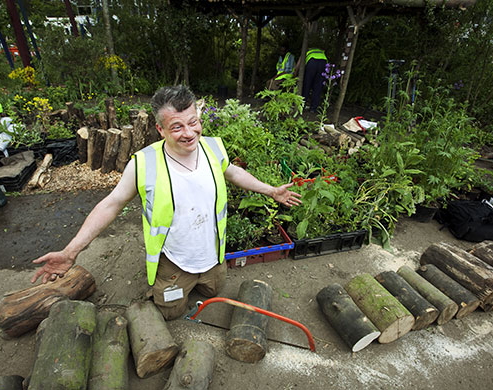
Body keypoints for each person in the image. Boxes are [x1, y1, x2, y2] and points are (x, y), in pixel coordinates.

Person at [31, 85, 302, 320]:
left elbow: (231, 171)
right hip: (174, 260)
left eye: (193, 121)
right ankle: (169, 288)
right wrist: (71, 251)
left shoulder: (213, 147)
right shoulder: (144, 164)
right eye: (177, 126)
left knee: (214, 290)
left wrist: (270, 190)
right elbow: (111, 204)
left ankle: (201, 279)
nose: (189, 133)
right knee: (170, 312)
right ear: (160, 129)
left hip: (213, 255)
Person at [302, 48, 328, 113]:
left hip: (312, 62)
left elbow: (299, 63)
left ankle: (302, 105)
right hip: (323, 62)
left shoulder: (306, 51)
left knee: (307, 84)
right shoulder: (321, 51)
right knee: (318, 86)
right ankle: (313, 108)